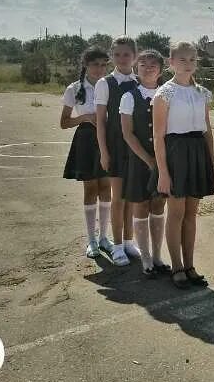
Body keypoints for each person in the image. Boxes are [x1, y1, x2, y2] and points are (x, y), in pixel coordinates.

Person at [152, 41, 214, 289]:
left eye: (192, 59)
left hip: (198, 153)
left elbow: (207, 130)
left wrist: (212, 165)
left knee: (191, 214)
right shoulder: (164, 93)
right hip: (175, 155)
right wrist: (163, 172)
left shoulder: (201, 92)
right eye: (182, 59)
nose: (188, 64)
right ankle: (177, 266)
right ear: (171, 63)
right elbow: (159, 136)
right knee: (176, 213)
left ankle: (190, 266)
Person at [120, 49, 170, 277]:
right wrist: (148, 159)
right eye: (143, 64)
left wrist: (161, 161)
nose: (148, 68)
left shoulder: (168, 94)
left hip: (164, 160)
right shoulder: (129, 96)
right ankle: (146, 258)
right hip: (139, 161)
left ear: (160, 70)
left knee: (158, 205)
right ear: (136, 69)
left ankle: (158, 256)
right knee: (140, 205)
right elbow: (127, 134)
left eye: (153, 65)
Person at [61, 47, 112, 258]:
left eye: (103, 65)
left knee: (106, 187)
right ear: (85, 65)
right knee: (91, 189)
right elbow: (64, 122)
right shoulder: (74, 88)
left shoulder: (110, 85)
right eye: (94, 64)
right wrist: (84, 117)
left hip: (108, 138)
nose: (99, 69)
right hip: (86, 140)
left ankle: (104, 238)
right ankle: (91, 240)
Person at [95, 36, 139, 265]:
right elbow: (101, 122)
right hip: (114, 145)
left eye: (127, 54)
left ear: (134, 56)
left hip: (135, 146)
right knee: (118, 198)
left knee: (132, 197)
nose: (122, 59)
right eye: (118, 54)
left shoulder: (140, 82)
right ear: (112, 56)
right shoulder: (105, 84)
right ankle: (118, 245)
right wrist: (104, 152)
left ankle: (130, 241)